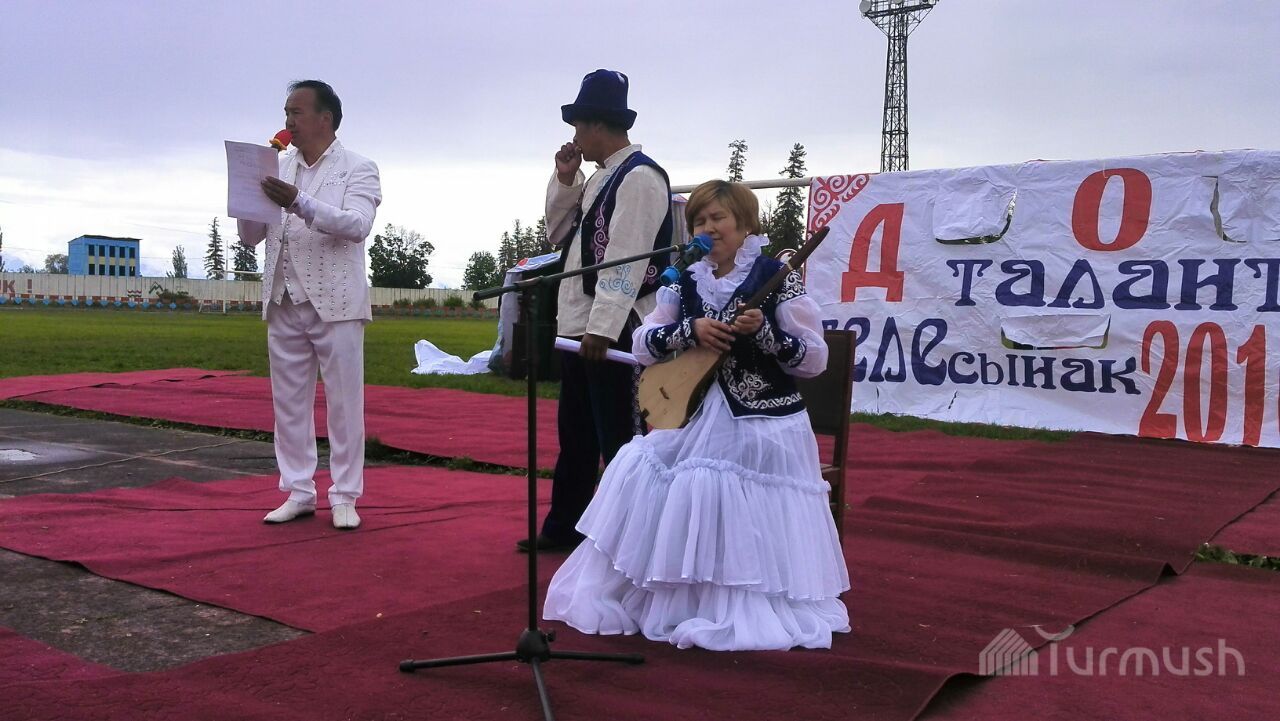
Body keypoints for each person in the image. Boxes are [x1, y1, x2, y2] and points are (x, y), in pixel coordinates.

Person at [543, 180, 850, 651]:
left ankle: (728, 600)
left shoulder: (776, 275)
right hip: (695, 410)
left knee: (710, 473)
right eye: (700, 221)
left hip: (763, 420)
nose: (708, 228)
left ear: (744, 224)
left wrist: (765, 334)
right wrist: (691, 330)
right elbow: (643, 344)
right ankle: (671, 592)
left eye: (718, 218)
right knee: (638, 462)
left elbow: (813, 359)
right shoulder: (684, 278)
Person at [517, 69, 673, 552]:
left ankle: (633, 537)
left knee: (620, 438)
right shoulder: (600, 178)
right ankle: (567, 525)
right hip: (580, 323)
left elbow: (626, 260)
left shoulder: (640, 177)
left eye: (578, 126)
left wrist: (603, 328)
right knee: (578, 433)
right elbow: (560, 235)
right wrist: (566, 180)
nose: (574, 137)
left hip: (616, 326)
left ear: (598, 124)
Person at [237, 80, 382, 530]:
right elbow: (250, 237)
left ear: (326, 118)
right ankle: (298, 490)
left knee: (344, 404)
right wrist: (245, 194)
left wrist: (298, 201)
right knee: (288, 404)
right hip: (283, 298)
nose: (288, 122)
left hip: (336, 302)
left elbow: (357, 225)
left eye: (296, 113)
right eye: (286, 113)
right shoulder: (278, 167)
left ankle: (345, 495)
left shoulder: (358, 167)